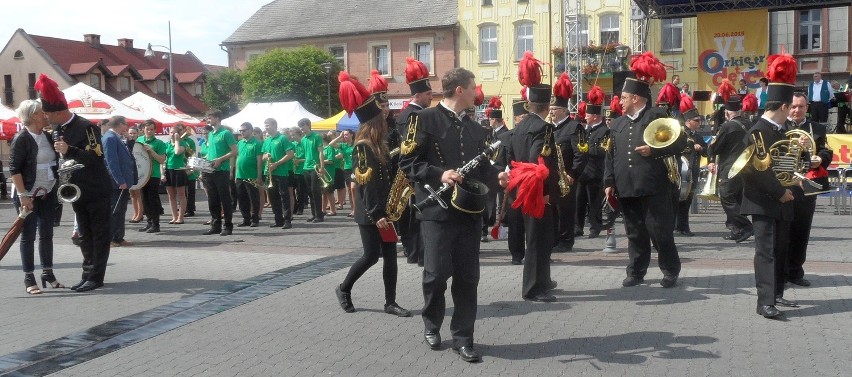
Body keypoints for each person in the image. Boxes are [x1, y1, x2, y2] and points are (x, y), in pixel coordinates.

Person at [399, 67, 502, 363]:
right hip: (436, 211)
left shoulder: (476, 128)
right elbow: (408, 163)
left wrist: (499, 179)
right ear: (459, 90)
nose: (476, 93)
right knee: (435, 275)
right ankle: (432, 324)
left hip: (469, 212)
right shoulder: (424, 119)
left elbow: (482, 169)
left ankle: (463, 338)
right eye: (473, 88)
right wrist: (439, 173)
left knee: (468, 277)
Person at [603, 52, 686, 289]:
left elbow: (679, 143)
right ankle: (636, 271)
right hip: (626, 185)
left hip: (653, 187)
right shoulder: (617, 123)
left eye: (624, 97)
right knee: (634, 233)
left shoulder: (656, 115)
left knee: (660, 232)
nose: (620, 101)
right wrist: (608, 181)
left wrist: (654, 151)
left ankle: (670, 270)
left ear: (637, 99)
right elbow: (611, 154)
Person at [334, 72, 410, 317]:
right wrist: (377, 213)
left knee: (390, 256)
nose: (384, 119)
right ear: (373, 122)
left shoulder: (380, 143)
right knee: (370, 256)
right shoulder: (363, 146)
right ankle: (344, 289)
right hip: (370, 212)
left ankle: (391, 302)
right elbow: (367, 184)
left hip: (385, 209)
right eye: (381, 117)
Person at [37, 74, 112, 292]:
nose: (47, 117)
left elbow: (96, 157)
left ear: (59, 112)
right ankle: (87, 271)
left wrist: (70, 150)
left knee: (99, 234)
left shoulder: (86, 127)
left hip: (95, 189)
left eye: (48, 114)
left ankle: (96, 276)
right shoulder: (60, 129)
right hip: (77, 191)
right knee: (84, 234)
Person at [737, 53, 798, 319]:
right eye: (791, 107)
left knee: (781, 248)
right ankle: (764, 302)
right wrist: (780, 191)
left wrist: (805, 154)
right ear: (783, 107)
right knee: (766, 252)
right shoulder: (757, 131)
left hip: (785, 199)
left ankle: (776, 293)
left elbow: (789, 165)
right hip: (763, 201)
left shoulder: (784, 132)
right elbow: (754, 171)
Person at [507, 53, 561, 302]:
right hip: (537, 192)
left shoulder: (518, 127)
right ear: (547, 106)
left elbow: (511, 158)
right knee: (539, 241)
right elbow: (540, 161)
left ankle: (543, 280)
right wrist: (547, 190)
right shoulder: (544, 128)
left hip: (520, 189)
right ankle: (533, 288)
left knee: (539, 238)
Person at [10, 99, 62, 294]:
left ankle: (47, 273)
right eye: (42, 112)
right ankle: (29, 277)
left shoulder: (48, 136)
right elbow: (14, 170)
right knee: (28, 235)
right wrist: (23, 195)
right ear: (32, 116)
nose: (46, 115)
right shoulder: (21, 138)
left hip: (47, 192)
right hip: (28, 193)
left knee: (47, 234)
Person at [785, 92, 832, 287]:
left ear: (807, 108)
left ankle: (795, 272)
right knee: (782, 232)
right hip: (784, 185)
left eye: (801, 106)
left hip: (807, 187)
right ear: (787, 107)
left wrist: (819, 158)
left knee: (801, 231)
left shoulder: (816, 128)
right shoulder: (780, 127)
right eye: (794, 106)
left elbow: (826, 150)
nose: (797, 110)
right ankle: (779, 273)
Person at [395, 57, 432, 264]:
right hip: (414, 171)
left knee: (411, 215)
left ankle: (414, 252)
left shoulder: (406, 114)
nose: (431, 97)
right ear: (417, 95)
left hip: (409, 170)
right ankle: (417, 253)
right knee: (415, 215)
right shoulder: (416, 116)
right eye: (428, 94)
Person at [707, 95, 754, 242]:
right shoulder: (749, 123)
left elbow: (715, 148)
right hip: (746, 167)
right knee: (737, 198)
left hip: (730, 166)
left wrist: (710, 149)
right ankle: (737, 230)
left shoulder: (728, 126)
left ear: (727, 112)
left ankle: (746, 226)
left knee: (726, 197)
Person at [549, 74, 586, 252]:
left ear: (564, 110)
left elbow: (581, 153)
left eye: (554, 109)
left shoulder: (574, 127)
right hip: (552, 176)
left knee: (565, 210)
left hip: (567, 177)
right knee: (553, 210)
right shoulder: (549, 128)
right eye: (550, 109)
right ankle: (555, 239)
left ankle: (566, 240)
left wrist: (573, 173)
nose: (551, 112)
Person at [576, 87, 610, 240]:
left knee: (594, 202)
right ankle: (578, 226)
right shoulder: (587, 130)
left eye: (588, 114)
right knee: (579, 201)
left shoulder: (604, 131)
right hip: (583, 172)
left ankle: (595, 227)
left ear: (595, 116)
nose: (585, 116)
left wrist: (588, 149)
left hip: (595, 172)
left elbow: (604, 151)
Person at [673, 96, 708, 236]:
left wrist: (702, 149)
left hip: (693, 171)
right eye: (697, 120)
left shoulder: (698, 136)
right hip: (681, 171)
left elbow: (707, 152)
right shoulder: (680, 134)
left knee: (687, 200)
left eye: (699, 120)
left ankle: (683, 226)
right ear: (688, 121)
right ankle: (677, 225)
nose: (699, 123)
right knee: (677, 199)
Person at [202, 109, 238, 235]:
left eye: (210, 117)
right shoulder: (211, 134)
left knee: (225, 199)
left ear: (217, 118)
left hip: (222, 170)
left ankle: (228, 226)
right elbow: (212, 152)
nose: (208, 119)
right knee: (212, 199)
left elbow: (234, 151)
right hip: (210, 170)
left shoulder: (226, 133)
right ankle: (215, 224)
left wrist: (221, 159)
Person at [102, 116, 136, 248]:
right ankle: (110, 239)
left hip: (123, 181)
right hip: (115, 182)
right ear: (120, 124)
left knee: (121, 210)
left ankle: (119, 237)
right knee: (114, 211)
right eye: (125, 124)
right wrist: (119, 180)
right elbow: (111, 162)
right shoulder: (110, 138)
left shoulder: (116, 137)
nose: (127, 127)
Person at [262, 118, 295, 228]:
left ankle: (287, 220)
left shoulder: (282, 138)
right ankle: (278, 220)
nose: (265, 127)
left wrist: (277, 163)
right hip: (270, 172)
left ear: (274, 125)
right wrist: (266, 156)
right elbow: (263, 156)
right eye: (265, 125)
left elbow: (290, 154)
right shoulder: (266, 140)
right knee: (273, 197)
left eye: (267, 125)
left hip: (281, 173)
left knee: (284, 197)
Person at [135, 120, 167, 233]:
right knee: (144, 199)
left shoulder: (159, 143)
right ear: (143, 129)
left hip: (154, 174)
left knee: (152, 199)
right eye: (147, 129)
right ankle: (149, 222)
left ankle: (156, 224)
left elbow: (162, 159)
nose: (149, 131)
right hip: (142, 174)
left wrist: (151, 150)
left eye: (152, 129)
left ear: (155, 130)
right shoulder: (139, 140)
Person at [235, 122, 263, 227]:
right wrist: (235, 175)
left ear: (251, 130)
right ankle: (245, 219)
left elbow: (259, 161)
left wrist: (259, 176)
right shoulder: (240, 143)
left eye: (244, 130)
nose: (242, 132)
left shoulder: (257, 143)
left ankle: (255, 219)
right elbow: (237, 158)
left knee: (253, 198)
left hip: (251, 175)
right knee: (242, 199)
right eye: (240, 131)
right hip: (240, 175)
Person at [164, 123, 192, 225]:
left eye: (175, 132)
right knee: (171, 195)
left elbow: (177, 152)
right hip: (169, 170)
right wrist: (163, 172)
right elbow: (164, 158)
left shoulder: (183, 143)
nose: (172, 134)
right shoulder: (166, 144)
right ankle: (174, 216)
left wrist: (176, 140)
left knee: (181, 194)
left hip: (179, 170)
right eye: (171, 132)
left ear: (179, 134)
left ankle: (181, 217)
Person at [299, 118, 325, 223]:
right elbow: (306, 154)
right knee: (310, 192)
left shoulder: (316, 136)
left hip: (315, 167)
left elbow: (320, 152)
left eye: (303, 126)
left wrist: (322, 166)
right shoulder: (303, 139)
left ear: (308, 125)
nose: (302, 129)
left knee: (316, 191)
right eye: (300, 127)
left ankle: (320, 215)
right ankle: (314, 214)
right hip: (306, 167)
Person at [127, 126, 145, 223]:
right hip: (130, 170)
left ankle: (140, 214)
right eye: (131, 133)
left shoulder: (140, 144)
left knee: (138, 193)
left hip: (139, 170)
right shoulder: (126, 143)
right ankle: (135, 212)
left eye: (134, 133)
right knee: (132, 194)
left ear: (137, 134)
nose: (132, 135)